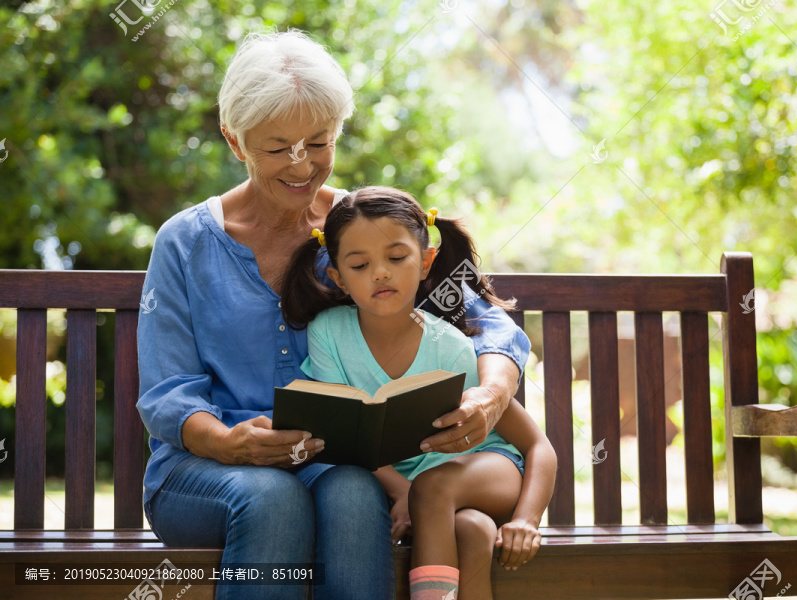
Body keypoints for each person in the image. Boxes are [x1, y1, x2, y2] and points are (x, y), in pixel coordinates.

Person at [136, 30, 530, 600]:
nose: (301, 165)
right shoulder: (185, 242)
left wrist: (491, 395)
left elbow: (487, 321)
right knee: (272, 497)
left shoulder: (359, 230)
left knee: (351, 493)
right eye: (277, 148)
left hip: (328, 464)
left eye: (318, 142)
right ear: (234, 140)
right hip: (201, 471)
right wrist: (228, 443)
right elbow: (168, 393)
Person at [280, 186, 557, 600]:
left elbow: (537, 445)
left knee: (432, 488)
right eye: (359, 264)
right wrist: (400, 489)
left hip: (489, 473)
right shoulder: (329, 334)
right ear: (337, 275)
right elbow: (344, 435)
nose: (380, 273)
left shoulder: (450, 346)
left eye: (396, 258)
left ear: (425, 261)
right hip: (433, 500)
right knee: (472, 529)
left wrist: (527, 521)